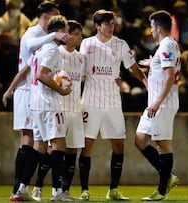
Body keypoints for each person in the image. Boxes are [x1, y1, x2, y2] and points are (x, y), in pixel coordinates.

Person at [1, 2, 72, 201]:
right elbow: (41, 75)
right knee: (59, 144)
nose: (67, 34)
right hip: (49, 102)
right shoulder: (49, 48)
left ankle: (22, 188)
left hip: (36, 103)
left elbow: (28, 69)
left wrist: (10, 88)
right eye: (65, 30)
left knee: (38, 146)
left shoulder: (40, 50)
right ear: (57, 30)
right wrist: (62, 89)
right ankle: (57, 191)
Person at [78, 9, 147, 201]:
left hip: (113, 101)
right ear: (97, 26)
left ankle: (114, 190)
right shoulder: (87, 43)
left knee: (119, 144)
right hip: (90, 100)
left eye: (113, 23)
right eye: (107, 23)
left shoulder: (121, 44)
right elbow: (79, 66)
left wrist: (147, 82)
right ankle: (85, 190)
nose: (111, 27)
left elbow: (133, 68)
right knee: (87, 144)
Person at [31, 20, 84, 202]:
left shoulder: (80, 58)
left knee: (70, 151)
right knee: (51, 150)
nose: (76, 37)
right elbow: (41, 73)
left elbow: (85, 77)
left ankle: (63, 191)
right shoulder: (55, 50)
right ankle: (38, 186)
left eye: (78, 34)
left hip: (74, 108)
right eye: (74, 33)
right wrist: (61, 88)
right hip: (57, 106)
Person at [134, 10, 180, 201]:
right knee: (140, 140)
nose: (150, 30)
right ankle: (167, 177)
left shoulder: (166, 45)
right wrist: (152, 63)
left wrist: (158, 102)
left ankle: (161, 191)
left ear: (159, 27)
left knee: (163, 146)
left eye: (152, 26)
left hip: (162, 103)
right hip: (155, 103)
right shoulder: (167, 46)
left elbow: (170, 77)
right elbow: (164, 70)